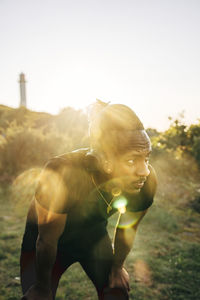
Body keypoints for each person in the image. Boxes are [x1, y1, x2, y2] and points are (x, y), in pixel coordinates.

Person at [20, 101, 157, 300]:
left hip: (92, 236)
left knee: (116, 292)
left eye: (146, 158)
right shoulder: (62, 173)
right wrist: (42, 286)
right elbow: (46, 239)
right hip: (44, 241)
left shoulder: (146, 181)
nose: (144, 170)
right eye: (131, 160)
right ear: (105, 160)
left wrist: (117, 267)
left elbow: (127, 227)